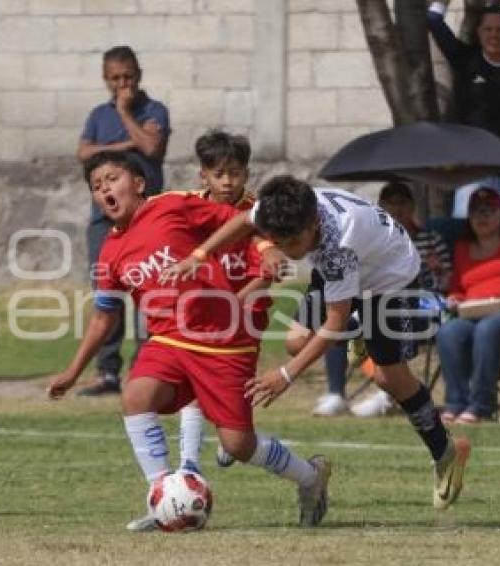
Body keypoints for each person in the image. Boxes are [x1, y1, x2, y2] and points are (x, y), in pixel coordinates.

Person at [47, 152, 330, 531]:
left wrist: (267, 248)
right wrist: (73, 370)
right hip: (167, 340)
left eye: (112, 179)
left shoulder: (171, 206)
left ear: (139, 183)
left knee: (237, 446)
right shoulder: (110, 251)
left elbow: (238, 218)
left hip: (225, 341)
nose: (104, 191)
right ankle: (163, 496)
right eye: (96, 187)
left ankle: (311, 477)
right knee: (135, 396)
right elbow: (104, 317)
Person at [162, 175, 470, 510]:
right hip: (351, 266)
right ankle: (362, 332)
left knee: (388, 378)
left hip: (389, 278)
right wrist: (199, 254)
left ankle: (445, 452)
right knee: (296, 341)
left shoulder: (337, 247)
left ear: (312, 225)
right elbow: (243, 219)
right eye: (275, 240)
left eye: (290, 242)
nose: (284, 249)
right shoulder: (283, 208)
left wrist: (287, 374)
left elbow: (334, 322)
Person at [173, 130, 279, 484]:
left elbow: (265, 275)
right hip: (204, 315)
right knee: (191, 382)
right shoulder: (191, 209)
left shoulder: (258, 215)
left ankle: (231, 431)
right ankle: (188, 465)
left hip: (246, 317)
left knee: (232, 407)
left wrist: (231, 303)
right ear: (203, 174)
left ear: (246, 174)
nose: (228, 182)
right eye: (219, 174)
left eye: (235, 173)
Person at [75, 46, 171, 396]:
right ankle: (107, 370)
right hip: (105, 220)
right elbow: (82, 152)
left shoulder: (154, 110)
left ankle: (146, 365)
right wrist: (123, 142)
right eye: (115, 79)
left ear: (138, 74)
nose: (122, 84)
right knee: (106, 292)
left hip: (147, 219)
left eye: (128, 77)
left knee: (148, 290)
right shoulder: (97, 115)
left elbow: (151, 148)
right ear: (105, 79)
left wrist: (125, 112)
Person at [427, 2, 500, 231]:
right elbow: (433, 20)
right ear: (478, 32)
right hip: (472, 173)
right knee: (465, 240)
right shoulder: (465, 60)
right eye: (488, 29)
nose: (494, 35)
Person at [347, 182, 454, 418]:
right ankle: (341, 392)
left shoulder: (430, 239)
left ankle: (391, 389)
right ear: (380, 207)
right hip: (381, 302)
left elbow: (447, 283)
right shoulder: (371, 243)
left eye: (403, 202)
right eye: (391, 202)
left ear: (413, 206)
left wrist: (438, 272)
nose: (397, 208)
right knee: (343, 322)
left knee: (388, 319)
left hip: (423, 304)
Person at [437, 187, 500, 424]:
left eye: (488, 210)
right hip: (473, 310)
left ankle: (481, 405)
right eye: (475, 212)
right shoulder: (462, 248)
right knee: (449, 331)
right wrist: (454, 298)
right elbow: (457, 288)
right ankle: (455, 402)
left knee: (488, 328)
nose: (481, 217)